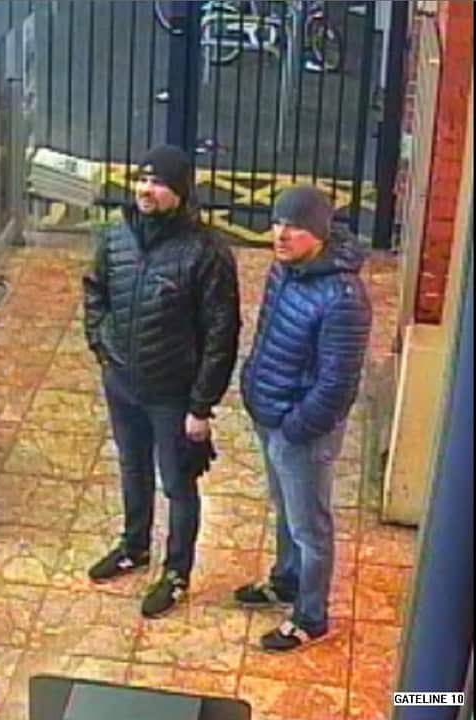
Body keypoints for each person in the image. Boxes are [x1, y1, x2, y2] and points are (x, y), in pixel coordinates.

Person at [83, 144, 241, 619]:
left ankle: (176, 572)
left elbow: (221, 333)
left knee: (177, 483)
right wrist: (102, 346)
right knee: (132, 468)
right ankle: (135, 546)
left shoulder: (206, 252)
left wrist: (201, 405)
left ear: (180, 192)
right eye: (142, 180)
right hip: (123, 382)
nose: (146, 191)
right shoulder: (116, 237)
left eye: (158, 184)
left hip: (173, 395)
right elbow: (96, 291)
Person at [235, 185, 372, 652]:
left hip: (302, 430)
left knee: (310, 527)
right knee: (286, 509)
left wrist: (295, 427)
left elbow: (337, 384)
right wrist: (251, 381)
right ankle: (286, 579)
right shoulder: (284, 271)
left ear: (319, 233)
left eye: (294, 226)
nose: (281, 233)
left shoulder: (344, 297)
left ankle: (311, 617)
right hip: (270, 411)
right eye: (277, 222)